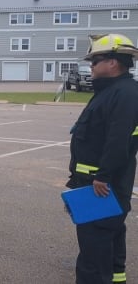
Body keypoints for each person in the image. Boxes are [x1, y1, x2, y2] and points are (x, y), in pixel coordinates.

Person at [65, 33, 138, 284]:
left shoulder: (125, 94)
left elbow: (118, 141)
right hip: (95, 184)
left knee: (93, 253)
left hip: (101, 187)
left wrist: (102, 177)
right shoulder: (113, 91)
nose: (91, 66)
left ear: (113, 63)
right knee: (109, 240)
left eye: (95, 61)